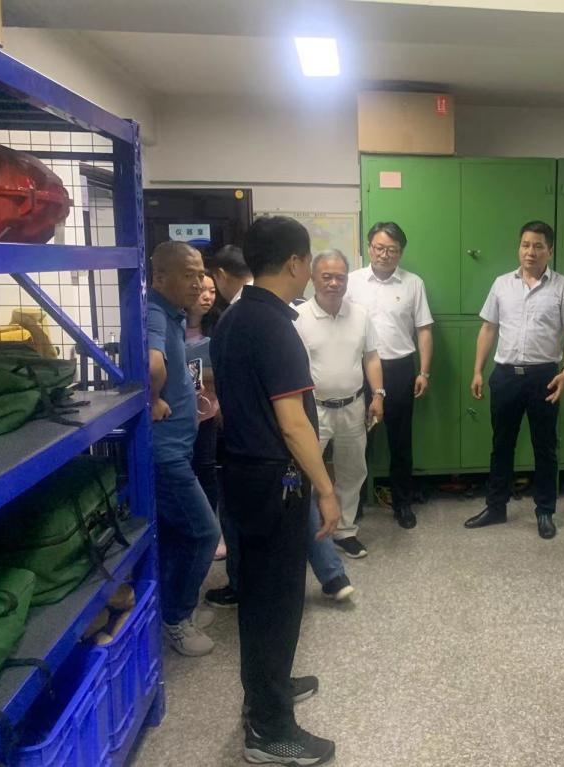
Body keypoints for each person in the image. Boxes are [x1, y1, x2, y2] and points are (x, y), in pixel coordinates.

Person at [211, 216, 340, 763]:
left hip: (245, 475)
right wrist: (326, 490)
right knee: (276, 605)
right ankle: (269, 729)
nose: (309, 269)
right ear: (294, 262)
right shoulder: (273, 327)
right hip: (272, 483)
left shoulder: (235, 317)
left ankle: (270, 688)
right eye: (307, 261)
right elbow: (293, 424)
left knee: (262, 596)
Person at [465, 221, 564, 539]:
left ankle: (545, 511)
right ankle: (496, 507)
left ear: (550, 250)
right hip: (505, 376)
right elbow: (488, 328)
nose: (530, 252)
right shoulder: (502, 284)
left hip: (545, 377)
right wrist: (477, 370)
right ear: (519, 247)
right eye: (525, 245)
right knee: (501, 444)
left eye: (538, 246)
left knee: (545, 447)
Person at [147, 241, 221, 657]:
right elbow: (152, 364)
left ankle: (179, 608)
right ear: (160, 278)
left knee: (178, 534)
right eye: (189, 275)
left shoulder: (173, 313)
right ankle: (177, 619)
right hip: (166, 453)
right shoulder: (155, 312)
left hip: (179, 446)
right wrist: (154, 398)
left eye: (200, 274)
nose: (198, 283)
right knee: (205, 531)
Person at [295, 249, 383, 571]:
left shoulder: (360, 314)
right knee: (305, 472)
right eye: (327, 277)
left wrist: (378, 395)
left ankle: (345, 531)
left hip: (353, 406)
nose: (334, 283)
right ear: (313, 278)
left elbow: (371, 357)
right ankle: (304, 534)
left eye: (340, 278)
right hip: (313, 410)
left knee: (353, 470)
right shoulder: (298, 318)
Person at [346, 222, 433, 529]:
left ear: (401, 252)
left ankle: (402, 504)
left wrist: (424, 371)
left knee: (400, 440)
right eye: (379, 248)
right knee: (357, 440)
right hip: (358, 369)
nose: (384, 255)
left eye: (392, 250)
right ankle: (353, 505)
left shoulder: (413, 283)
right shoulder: (352, 282)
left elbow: (424, 329)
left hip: (399, 369)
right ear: (369, 247)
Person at [202, 246, 252, 609]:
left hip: (238, 429)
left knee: (235, 513)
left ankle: (240, 584)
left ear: (220, 275)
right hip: (256, 430)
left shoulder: (235, 315)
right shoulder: (273, 309)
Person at [185, 271, 225, 560]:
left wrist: (192, 372)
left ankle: (211, 530)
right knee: (181, 472)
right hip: (174, 414)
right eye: (202, 290)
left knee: (206, 469)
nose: (208, 296)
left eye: (212, 291)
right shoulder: (168, 325)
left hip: (208, 412)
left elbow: (225, 370)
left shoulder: (220, 325)